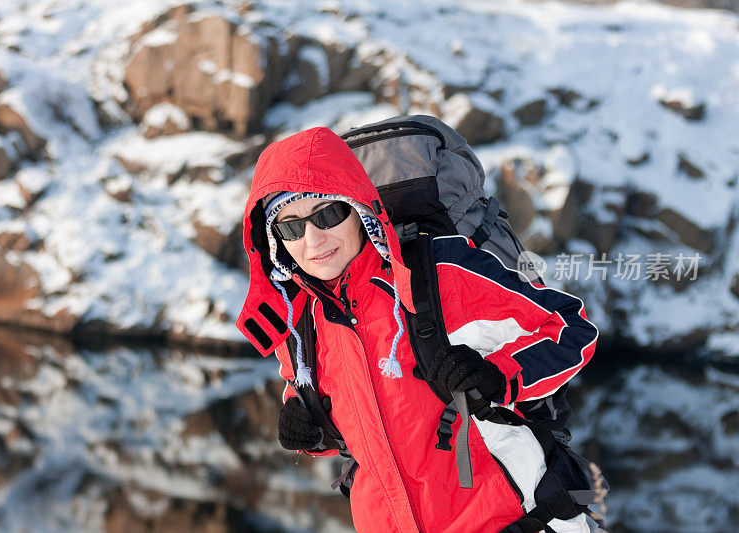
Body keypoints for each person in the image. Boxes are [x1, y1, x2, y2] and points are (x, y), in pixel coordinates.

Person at [236, 127, 598, 533]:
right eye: (290, 227)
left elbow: (570, 328)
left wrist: (498, 376)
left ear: (358, 209)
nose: (312, 239)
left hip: (511, 519)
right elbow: (335, 411)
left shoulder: (439, 273)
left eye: (326, 214)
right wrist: (308, 425)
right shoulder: (299, 320)